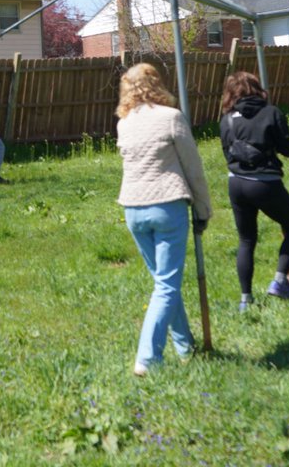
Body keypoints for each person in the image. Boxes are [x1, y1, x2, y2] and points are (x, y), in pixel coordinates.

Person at [115, 63, 212, 376]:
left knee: (163, 284)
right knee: (167, 287)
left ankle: (185, 346)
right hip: (167, 206)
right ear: (157, 84)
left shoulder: (124, 124)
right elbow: (193, 168)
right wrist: (203, 209)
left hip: (133, 210)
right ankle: (148, 358)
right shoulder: (171, 117)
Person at [219, 71, 289, 309]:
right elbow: (287, 149)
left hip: (236, 183)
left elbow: (228, 153)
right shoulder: (272, 112)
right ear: (257, 89)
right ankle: (279, 281)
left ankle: (245, 299)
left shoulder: (226, 119)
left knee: (246, 239)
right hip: (265, 183)